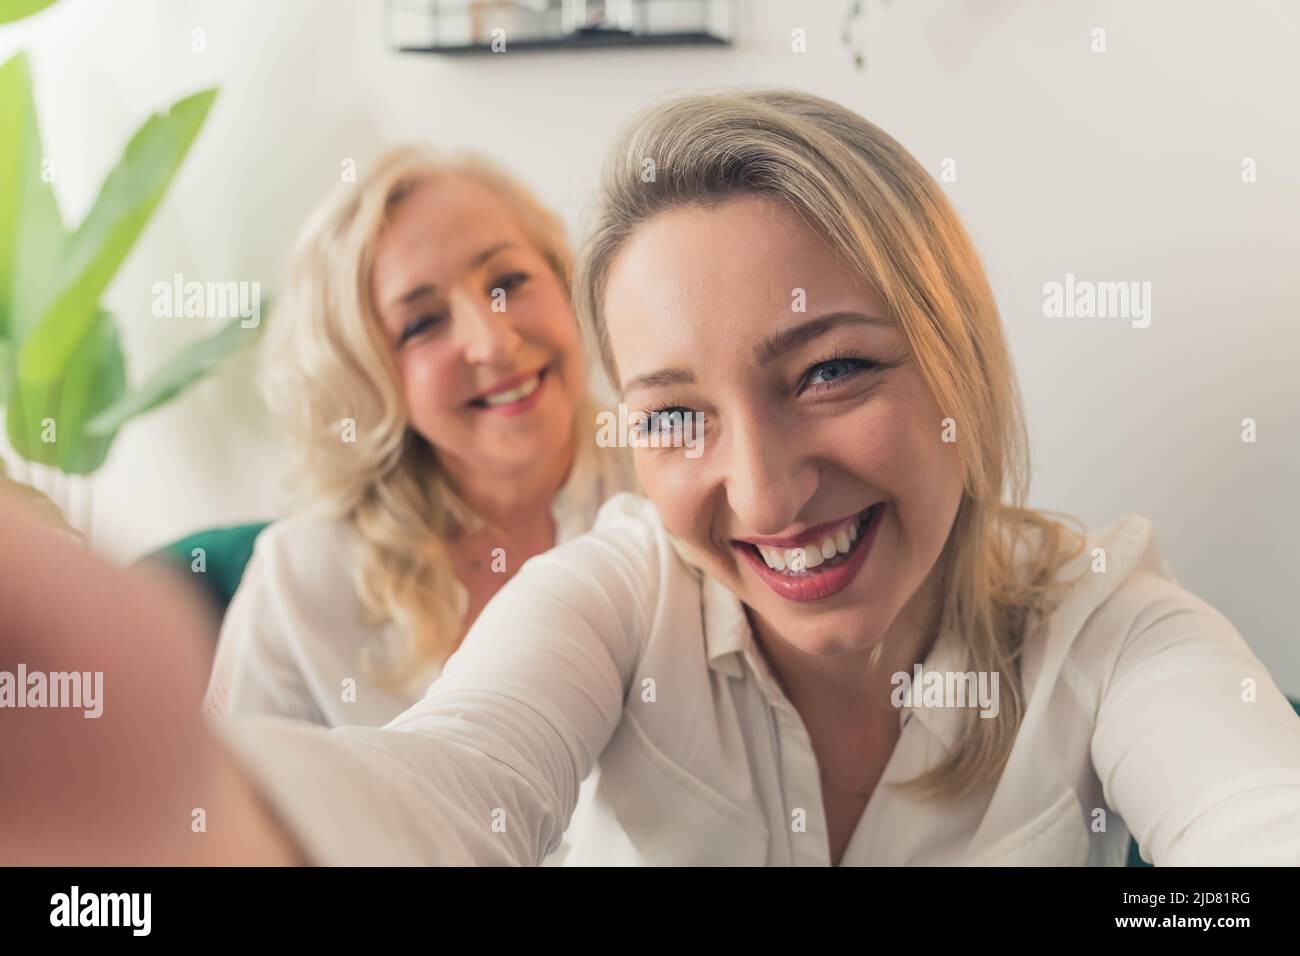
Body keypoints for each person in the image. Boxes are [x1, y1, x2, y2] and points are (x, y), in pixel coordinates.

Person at [3, 89, 1297, 866]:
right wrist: (174, 801)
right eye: (677, 415)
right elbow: (449, 786)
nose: (769, 489)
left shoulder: (1104, 617)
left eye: (831, 371)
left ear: (955, 361)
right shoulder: (616, 588)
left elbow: (1250, 816)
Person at [202, 145, 635, 728]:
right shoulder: (299, 578)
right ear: (364, 378)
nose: (494, 343)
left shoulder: (679, 485)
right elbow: (234, 803)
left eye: (508, 281)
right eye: (423, 323)